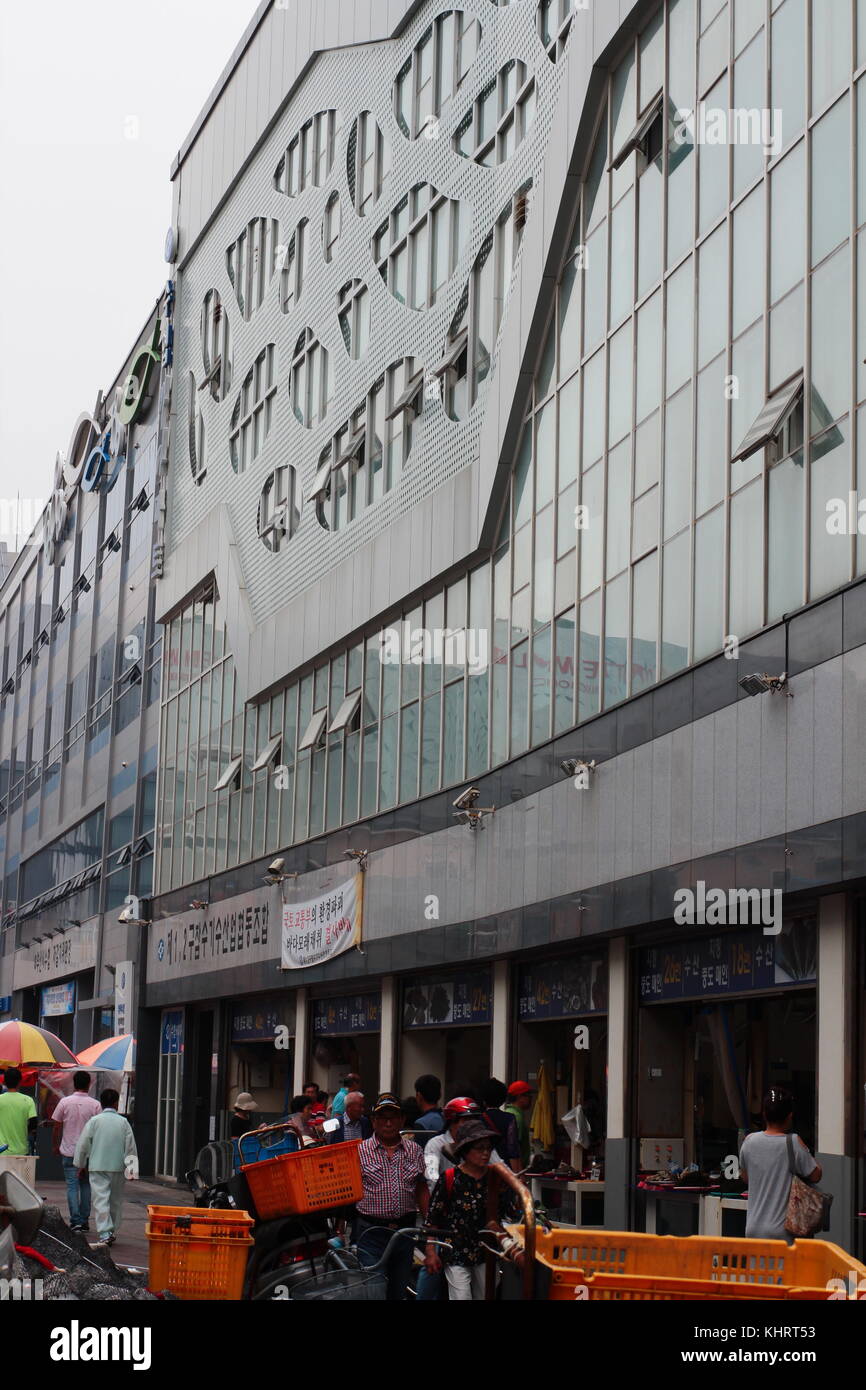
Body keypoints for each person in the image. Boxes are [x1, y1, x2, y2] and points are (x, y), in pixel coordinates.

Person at [424, 1116, 519, 1300]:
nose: (485, 1153)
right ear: (466, 1151)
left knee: (485, 1295)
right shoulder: (450, 1178)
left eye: (488, 1148)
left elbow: (508, 1213)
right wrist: (430, 1252)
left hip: (487, 1253)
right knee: (461, 1297)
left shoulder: (495, 1178)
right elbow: (433, 1218)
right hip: (456, 1252)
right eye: (479, 1148)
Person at [355, 1093, 428, 1300]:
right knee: (373, 1290)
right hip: (370, 1232)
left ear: (402, 1120)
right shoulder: (360, 1151)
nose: (388, 1123)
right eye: (382, 1118)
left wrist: (429, 1225)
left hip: (404, 1232)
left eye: (393, 1117)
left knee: (398, 1290)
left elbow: (422, 1188)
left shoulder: (414, 1150)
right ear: (373, 1121)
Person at [739, 1089, 822, 1242]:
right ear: (790, 1116)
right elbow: (816, 1175)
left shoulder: (749, 1142)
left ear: (764, 1114)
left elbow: (745, 1177)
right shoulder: (793, 1143)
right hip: (783, 1233)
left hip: (753, 1229)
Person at [72, 1088, 137, 1249]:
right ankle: (112, 1230)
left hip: (98, 1166)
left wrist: (80, 1164)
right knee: (115, 1200)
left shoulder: (94, 1121)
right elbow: (130, 1147)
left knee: (100, 1199)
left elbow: (83, 1145)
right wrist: (132, 1168)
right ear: (116, 1103)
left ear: (101, 1103)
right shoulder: (124, 1122)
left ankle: (105, 1232)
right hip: (117, 1166)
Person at [51, 1071, 101, 1232]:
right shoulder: (95, 1105)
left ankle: (76, 1221)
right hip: (88, 1153)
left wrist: (55, 1145)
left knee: (72, 1186)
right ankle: (85, 1221)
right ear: (88, 1084)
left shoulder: (64, 1102)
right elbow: (98, 1130)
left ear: (74, 1083)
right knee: (86, 1185)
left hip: (68, 1151)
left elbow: (56, 1125)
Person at [424, 1096, 505, 1191]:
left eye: (474, 1120)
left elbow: (501, 1167)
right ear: (452, 1122)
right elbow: (431, 1177)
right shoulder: (435, 1144)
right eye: (466, 1120)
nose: (470, 1125)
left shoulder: (483, 1143)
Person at [480, 1078, 522, 1174]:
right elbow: (513, 1149)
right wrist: (517, 1175)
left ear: (484, 1099)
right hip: (504, 1170)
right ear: (503, 1099)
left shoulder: (478, 1119)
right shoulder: (509, 1118)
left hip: (484, 1167)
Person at [0, 1067, 37, 1157]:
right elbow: (33, 1124)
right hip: (22, 1151)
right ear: (20, 1082)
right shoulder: (28, 1100)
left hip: (2, 1151)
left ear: (4, 1082)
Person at [503, 1080, 535, 1169]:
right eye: (528, 1096)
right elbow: (516, 1148)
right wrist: (519, 1174)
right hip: (515, 1169)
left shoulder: (508, 1112)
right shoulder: (516, 1117)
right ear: (520, 1097)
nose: (531, 1099)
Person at [412, 1074, 444, 1149]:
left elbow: (418, 1155)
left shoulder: (421, 1123)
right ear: (440, 1095)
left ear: (419, 1096)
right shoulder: (449, 1119)